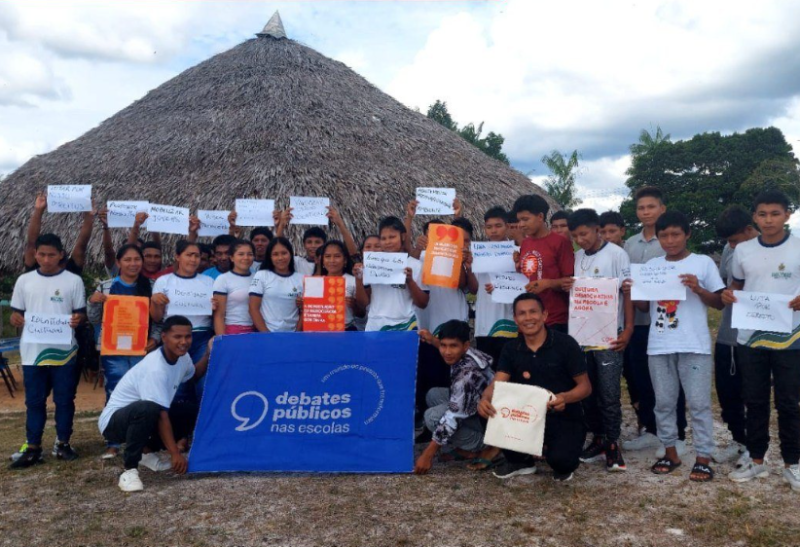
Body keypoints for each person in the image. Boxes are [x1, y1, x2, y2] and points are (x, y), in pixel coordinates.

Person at [632, 211, 724, 482]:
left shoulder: (703, 263)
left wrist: (698, 289)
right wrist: (632, 291)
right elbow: (642, 308)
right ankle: (670, 452)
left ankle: (704, 457)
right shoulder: (652, 266)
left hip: (694, 344)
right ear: (657, 237)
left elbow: (718, 302)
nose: (670, 240)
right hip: (659, 344)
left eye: (675, 234)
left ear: (687, 235)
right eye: (664, 235)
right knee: (664, 402)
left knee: (698, 403)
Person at [725, 190, 800, 491]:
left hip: (790, 337)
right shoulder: (743, 250)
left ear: (787, 215)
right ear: (754, 217)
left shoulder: (798, 247)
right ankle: (757, 461)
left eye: (775, 213)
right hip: (751, 337)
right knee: (754, 401)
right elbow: (737, 286)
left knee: (789, 403)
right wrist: (728, 294)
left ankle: (792, 464)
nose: (769, 220)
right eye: (763, 214)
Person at [479, 293, 591, 482]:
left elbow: (585, 387)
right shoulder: (510, 348)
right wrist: (484, 399)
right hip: (525, 417)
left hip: (562, 415)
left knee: (562, 463)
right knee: (487, 411)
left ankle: (553, 451)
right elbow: (497, 383)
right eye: (522, 314)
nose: (528, 318)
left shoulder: (566, 344)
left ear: (545, 315)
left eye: (533, 312)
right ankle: (520, 461)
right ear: (515, 319)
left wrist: (565, 397)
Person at [98, 316, 211, 492]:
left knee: (190, 409)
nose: (183, 342)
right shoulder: (155, 367)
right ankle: (129, 471)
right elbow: (160, 414)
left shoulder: (183, 357)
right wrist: (175, 453)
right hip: (114, 423)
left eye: (187, 337)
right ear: (164, 337)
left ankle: (147, 453)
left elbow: (193, 375)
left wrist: (207, 354)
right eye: (177, 337)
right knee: (149, 408)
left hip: (143, 417)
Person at [563, 208, 633, 472]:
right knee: (587, 391)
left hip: (609, 335)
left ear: (597, 229)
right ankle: (598, 438)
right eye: (575, 236)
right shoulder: (577, 257)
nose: (580, 240)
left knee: (609, 392)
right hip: (581, 335)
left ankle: (613, 443)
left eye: (584, 234)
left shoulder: (617, 254)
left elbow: (628, 293)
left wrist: (627, 330)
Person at [9, 234, 87, 469]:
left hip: (64, 351)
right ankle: (33, 446)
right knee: (34, 401)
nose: (46, 259)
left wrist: (77, 319)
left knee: (64, 400)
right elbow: (16, 314)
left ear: (61, 254)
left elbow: (81, 314)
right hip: (33, 352)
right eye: (41, 254)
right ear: (35, 255)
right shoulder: (24, 281)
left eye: (51, 254)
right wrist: (15, 318)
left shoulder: (73, 281)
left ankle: (63, 443)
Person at [622, 186, 687, 455]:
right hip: (638, 320)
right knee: (643, 378)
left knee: (672, 378)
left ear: (662, 208)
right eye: (641, 208)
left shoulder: (670, 239)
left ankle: (678, 434)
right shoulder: (630, 244)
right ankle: (651, 429)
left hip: (667, 321)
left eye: (651, 207)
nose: (646, 212)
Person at [88, 244, 158, 459]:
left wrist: (154, 338)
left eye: (137, 259)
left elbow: (159, 320)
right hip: (113, 350)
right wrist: (92, 302)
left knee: (143, 394)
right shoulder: (105, 287)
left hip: (141, 349)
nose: (133, 264)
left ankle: (142, 440)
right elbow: (93, 319)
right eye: (127, 260)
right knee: (115, 393)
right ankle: (113, 441)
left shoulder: (152, 286)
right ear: (118, 263)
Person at [414, 321, 494, 474]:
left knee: (432, 417)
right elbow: (448, 347)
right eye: (443, 345)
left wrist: (427, 455)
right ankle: (467, 442)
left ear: (465, 345)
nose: (447, 352)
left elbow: (452, 418)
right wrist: (431, 340)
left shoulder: (466, 376)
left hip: (489, 423)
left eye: (453, 346)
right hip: (477, 406)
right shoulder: (466, 352)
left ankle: (483, 445)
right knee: (433, 394)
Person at [712, 206, 757, 466]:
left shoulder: (777, 252)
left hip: (760, 337)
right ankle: (738, 440)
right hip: (730, 334)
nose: (731, 245)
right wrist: (722, 294)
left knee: (754, 394)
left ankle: (756, 447)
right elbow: (722, 286)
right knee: (728, 392)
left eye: (734, 239)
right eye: (728, 241)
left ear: (749, 230)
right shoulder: (731, 250)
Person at [150, 240, 215, 400]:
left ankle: (197, 423)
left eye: (197, 256)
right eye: (189, 255)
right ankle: (177, 423)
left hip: (201, 336)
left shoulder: (209, 282)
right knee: (176, 385)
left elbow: (216, 315)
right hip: (174, 337)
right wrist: (155, 301)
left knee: (203, 384)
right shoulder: (164, 281)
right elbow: (157, 317)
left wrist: (216, 307)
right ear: (177, 257)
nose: (193, 260)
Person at [355, 216, 429, 332]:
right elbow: (363, 303)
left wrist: (410, 282)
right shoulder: (372, 264)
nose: (388, 242)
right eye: (383, 238)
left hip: (405, 325)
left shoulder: (415, 265)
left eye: (392, 237)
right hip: (375, 325)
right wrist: (358, 279)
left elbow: (423, 303)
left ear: (403, 236)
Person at [512, 195, 574, 332]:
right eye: (519, 220)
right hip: (529, 319)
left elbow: (570, 281)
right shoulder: (526, 243)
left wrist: (548, 283)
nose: (521, 224)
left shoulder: (560, 242)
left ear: (540, 217)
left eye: (525, 219)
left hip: (555, 319)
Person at [475, 206, 518, 365]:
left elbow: (523, 286)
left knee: (508, 372)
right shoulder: (479, 253)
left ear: (507, 227)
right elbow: (473, 288)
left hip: (509, 323)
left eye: (498, 226)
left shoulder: (517, 252)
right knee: (486, 372)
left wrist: (501, 286)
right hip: (483, 324)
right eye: (489, 227)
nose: (493, 230)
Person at [249, 237, 304, 332]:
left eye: (284, 253)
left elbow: (304, 311)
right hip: (267, 335)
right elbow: (253, 308)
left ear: (291, 254)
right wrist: (267, 335)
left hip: (293, 335)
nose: (280, 258)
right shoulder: (261, 275)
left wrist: (297, 333)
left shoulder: (301, 278)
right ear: (270, 257)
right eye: (275, 254)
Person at [315, 240, 364, 330]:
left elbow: (362, 313)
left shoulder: (353, 281)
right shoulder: (315, 283)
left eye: (337, 256)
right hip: (320, 332)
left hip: (346, 331)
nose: (332, 260)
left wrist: (354, 305)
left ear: (345, 260)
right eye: (327, 256)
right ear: (322, 260)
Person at [212, 240, 256, 335]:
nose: (246, 258)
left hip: (256, 331)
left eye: (250, 254)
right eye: (240, 254)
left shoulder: (258, 278)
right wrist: (222, 340)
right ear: (231, 257)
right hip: (232, 331)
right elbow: (219, 315)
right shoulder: (223, 279)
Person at [351, 235, 381, 332]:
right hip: (368, 326)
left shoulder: (396, 270)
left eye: (377, 246)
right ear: (362, 251)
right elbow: (364, 303)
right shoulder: (359, 270)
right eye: (368, 247)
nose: (372, 250)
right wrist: (358, 278)